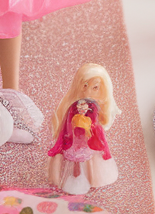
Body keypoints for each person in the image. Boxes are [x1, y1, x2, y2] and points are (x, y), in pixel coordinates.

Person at [47, 62, 120, 194]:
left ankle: (90, 181)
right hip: (72, 139)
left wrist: (92, 126)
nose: (88, 91)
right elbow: (65, 123)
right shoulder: (72, 105)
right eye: (85, 86)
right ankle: (63, 179)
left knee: (90, 160)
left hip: (90, 139)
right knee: (70, 160)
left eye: (95, 87)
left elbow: (100, 123)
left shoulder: (96, 106)